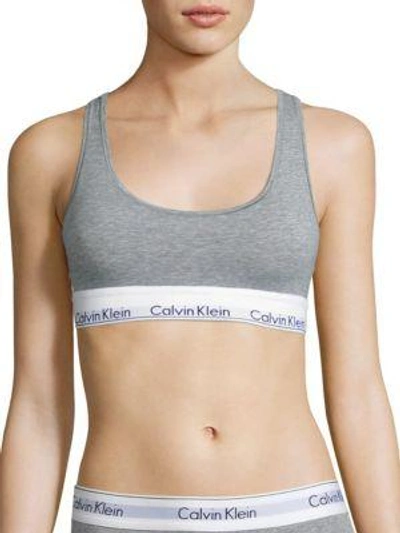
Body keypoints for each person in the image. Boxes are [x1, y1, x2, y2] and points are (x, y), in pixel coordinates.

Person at [1, 1, 400, 532]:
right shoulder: (51, 151)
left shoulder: (334, 146)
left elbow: (359, 389)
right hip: (123, 520)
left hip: (299, 515)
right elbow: (39, 404)